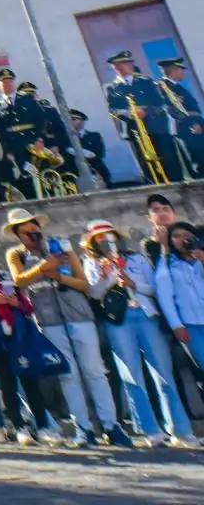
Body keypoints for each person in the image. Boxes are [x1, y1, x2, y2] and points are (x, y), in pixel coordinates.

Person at [1, 208, 124, 447]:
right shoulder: (16, 254)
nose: (32, 234)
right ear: (19, 235)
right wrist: (43, 267)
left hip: (78, 314)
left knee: (95, 371)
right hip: (48, 319)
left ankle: (111, 425)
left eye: (34, 228)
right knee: (68, 375)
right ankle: (83, 428)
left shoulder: (62, 248)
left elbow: (84, 284)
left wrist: (58, 275)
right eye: (26, 232)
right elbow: (19, 280)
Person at [81, 220, 191, 448]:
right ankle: (150, 430)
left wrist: (134, 283)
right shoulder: (92, 263)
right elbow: (94, 292)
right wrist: (109, 275)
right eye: (100, 238)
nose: (105, 241)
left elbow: (154, 289)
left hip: (145, 315)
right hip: (118, 320)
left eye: (109, 236)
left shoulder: (137, 258)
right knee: (131, 375)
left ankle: (180, 429)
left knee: (163, 373)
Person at [0, 243, 69, 447]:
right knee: (7, 384)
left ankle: (43, 426)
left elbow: (27, 307)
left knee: (31, 383)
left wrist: (14, 303)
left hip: (18, 338)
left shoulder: (5, 280)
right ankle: (20, 427)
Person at [107, 50, 180, 185]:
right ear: (115, 67)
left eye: (130, 62)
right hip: (135, 130)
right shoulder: (113, 88)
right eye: (124, 63)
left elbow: (161, 102)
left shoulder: (146, 81)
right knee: (145, 163)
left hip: (156, 127)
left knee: (169, 160)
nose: (129, 65)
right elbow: (113, 109)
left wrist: (146, 110)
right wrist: (129, 113)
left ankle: (177, 186)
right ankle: (155, 187)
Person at [155, 221, 204, 374]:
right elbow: (165, 296)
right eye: (176, 236)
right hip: (191, 323)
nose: (182, 239)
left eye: (187, 235)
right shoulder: (167, 264)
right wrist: (176, 324)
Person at [156, 58, 204, 179]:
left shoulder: (178, 87)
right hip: (184, 127)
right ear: (171, 71)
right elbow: (171, 108)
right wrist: (192, 123)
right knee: (195, 157)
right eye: (180, 70)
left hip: (194, 125)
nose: (183, 73)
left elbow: (194, 108)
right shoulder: (162, 87)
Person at [67, 110, 111, 189]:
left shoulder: (94, 136)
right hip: (76, 174)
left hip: (96, 171)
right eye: (69, 119)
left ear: (82, 121)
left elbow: (99, 153)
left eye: (73, 119)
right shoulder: (66, 138)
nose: (70, 122)